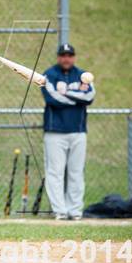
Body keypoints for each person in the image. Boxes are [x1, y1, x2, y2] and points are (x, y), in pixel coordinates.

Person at [41, 43, 95, 220]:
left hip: (78, 131)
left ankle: (75, 211)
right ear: (58, 57)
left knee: (76, 172)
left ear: (74, 57)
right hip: (55, 131)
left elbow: (89, 97)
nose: (66, 58)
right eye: (63, 55)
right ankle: (60, 212)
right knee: (55, 172)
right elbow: (52, 98)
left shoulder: (82, 75)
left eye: (69, 55)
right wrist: (76, 94)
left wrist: (67, 93)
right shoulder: (49, 75)